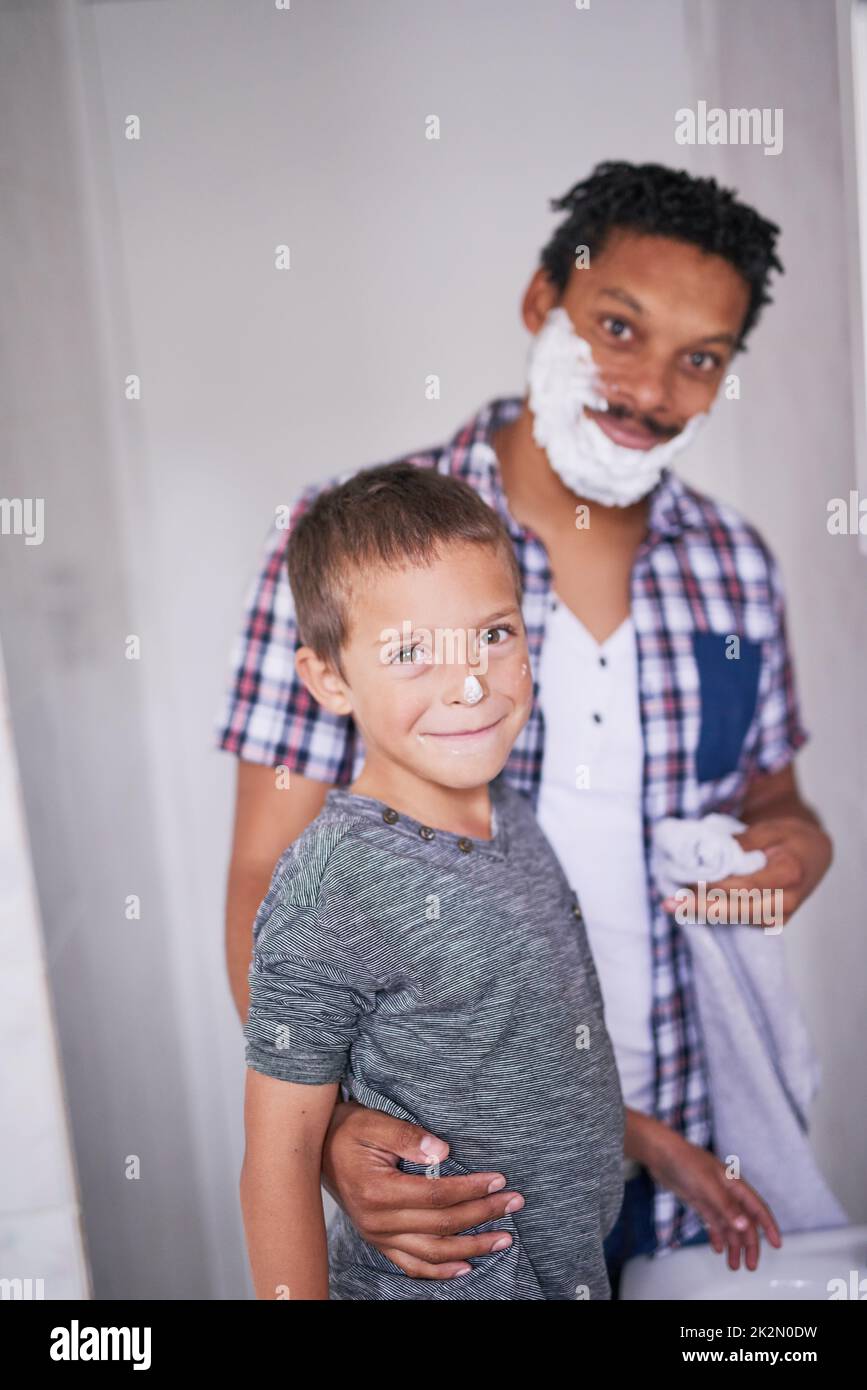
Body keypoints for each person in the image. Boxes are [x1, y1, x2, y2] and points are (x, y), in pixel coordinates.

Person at [218, 161, 831, 1293]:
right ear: (542, 302)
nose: (651, 386)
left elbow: (776, 800)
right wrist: (338, 1127)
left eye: (701, 358)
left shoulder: (735, 568)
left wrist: (797, 850)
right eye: (618, 326)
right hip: (454, 1178)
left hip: (686, 1141)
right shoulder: (363, 552)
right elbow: (269, 875)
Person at [240, 463, 625, 1299]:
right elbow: (276, 1165)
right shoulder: (335, 883)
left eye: (494, 633)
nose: (470, 683)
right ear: (330, 681)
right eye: (410, 653)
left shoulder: (512, 817)